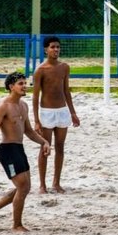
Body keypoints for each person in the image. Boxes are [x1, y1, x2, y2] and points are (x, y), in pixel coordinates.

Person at [0, 72, 51, 231]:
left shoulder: (23, 105)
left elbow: (29, 131)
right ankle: (16, 225)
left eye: (25, 83)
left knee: (25, 187)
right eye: (20, 83)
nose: (24, 86)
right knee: (23, 186)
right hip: (7, 151)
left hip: (19, 149)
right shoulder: (2, 107)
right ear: (11, 87)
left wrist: (44, 142)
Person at [32, 36, 80, 194]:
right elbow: (35, 96)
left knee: (60, 147)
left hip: (62, 111)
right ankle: (42, 185)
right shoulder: (40, 70)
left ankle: (56, 183)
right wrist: (36, 120)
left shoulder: (64, 67)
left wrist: (72, 112)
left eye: (58, 47)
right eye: (52, 47)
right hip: (46, 112)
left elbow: (66, 90)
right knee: (45, 147)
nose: (56, 50)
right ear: (46, 49)